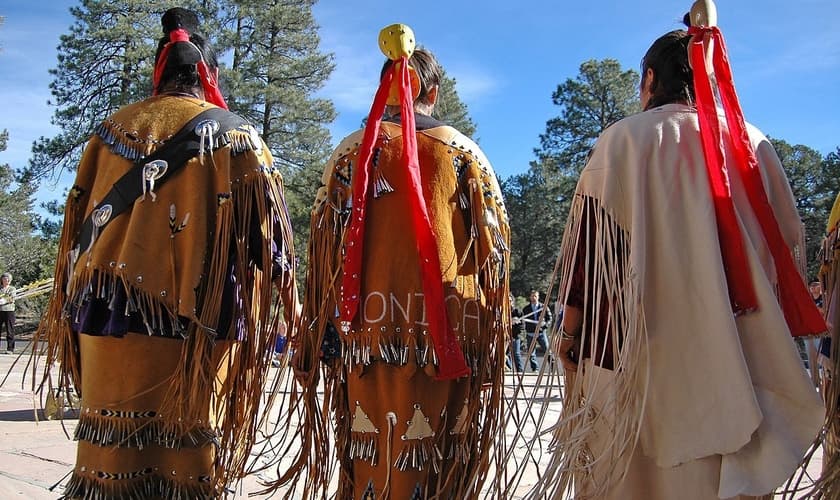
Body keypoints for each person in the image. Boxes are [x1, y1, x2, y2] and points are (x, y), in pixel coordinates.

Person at [538, 9, 824, 500]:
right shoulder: (754, 143)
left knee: (636, 479)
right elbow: (787, 244)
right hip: (743, 352)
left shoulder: (624, 140)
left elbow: (590, 253)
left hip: (637, 357)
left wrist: (569, 332)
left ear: (650, 79)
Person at [36, 8, 296, 498]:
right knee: (186, 468)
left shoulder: (110, 130)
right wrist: (295, 312)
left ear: (160, 70)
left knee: (109, 468)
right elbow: (272, 244)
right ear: (208, 73)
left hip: (106, 317)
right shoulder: (238, 136)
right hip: (195, 324)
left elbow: (74, 228)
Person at [280, 25, 510, 499]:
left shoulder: (350, 152)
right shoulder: (464, 153)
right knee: (441, 464)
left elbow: (323, 255)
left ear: (384, 87)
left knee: (373, 461)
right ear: (433, 92)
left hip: (364, 340)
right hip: (447, 342)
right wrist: (493, 341)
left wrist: (313, 337)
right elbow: (496, 255)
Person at [523, 290, 551, 371]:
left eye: (535, 296)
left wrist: (545, 325)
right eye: (532, 296)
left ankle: (552, 367)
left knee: (547, 351)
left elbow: (549, 319)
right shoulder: (526, 309)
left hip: (541, 333)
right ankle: (535, 368)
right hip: (530, 333)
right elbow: (523, 319)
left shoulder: (544, 307)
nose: (534, 298)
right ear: (530, 297)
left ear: (538, 297)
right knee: (531, 352)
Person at [508, 294, 525, 372]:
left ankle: (520, 371)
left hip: (515, 336)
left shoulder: (517, 311)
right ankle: (509, 368)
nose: (509, 302)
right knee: (505, 354)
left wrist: (516, 333)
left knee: (516, 353)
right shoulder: (502, 311)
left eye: (510, 301)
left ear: (513, 302)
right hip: (505, 336)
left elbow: (522, 325)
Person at [0, 272, 16, 354]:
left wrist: (4, 300)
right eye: (4, 278)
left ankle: (10, 348)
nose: (6, 280)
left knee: (10, 330)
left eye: (7, 279)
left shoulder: (12, 289)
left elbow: (12, 298)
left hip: (9, 311)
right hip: (0, 311)